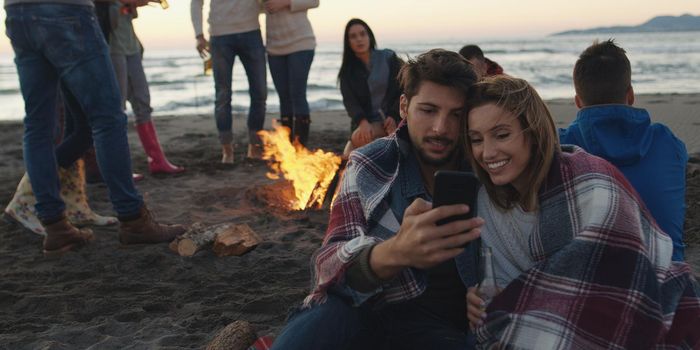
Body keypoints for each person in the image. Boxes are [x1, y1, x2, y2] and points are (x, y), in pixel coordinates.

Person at [462, 76, 700, 348]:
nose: (487, 152)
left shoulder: (591, 182)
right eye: (476, 139)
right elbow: (502, 286)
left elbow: (618, 287)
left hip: (644, 306)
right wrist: (484, 299)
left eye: (502, 135)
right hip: (541, 319)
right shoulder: (486, 203)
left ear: (533, 131)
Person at [272, 49, 483, 349]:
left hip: (438, 324)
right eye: (428, 110)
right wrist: (397, 252)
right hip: (361, 309)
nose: (441, 128)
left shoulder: (485, 167)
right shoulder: (370, 163)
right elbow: (326, 265)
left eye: (456, 115)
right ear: (404, 106)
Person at [4, 0, 186, 256]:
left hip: (19, 12)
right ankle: (133, 219)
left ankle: (55, 226)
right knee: (108, 119)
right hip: (66, 12)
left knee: (38, 126)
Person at [559, 39, 688, 261]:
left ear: (578, 101)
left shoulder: (562, 147)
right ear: (630, 95)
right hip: (671, 278)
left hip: (601, 283)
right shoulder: (668, 142)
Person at [108, 1, 184, 174]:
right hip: (113, 46)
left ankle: (157, 160)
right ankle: (120, 167)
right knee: (117, 108)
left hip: (131, 44)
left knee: (143, 102)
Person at [191, 0, 267, 163]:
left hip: (251, 31)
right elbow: (196, 2)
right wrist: (199, 35)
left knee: (260, 92)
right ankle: (227, 150)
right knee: (223, 95)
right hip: (220, 35)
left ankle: (254, 147)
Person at [338, 18, 403, 156]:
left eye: (363, 34)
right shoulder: (347, 72)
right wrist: (362, 122)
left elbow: (402, 89)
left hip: (393, 118)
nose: (359, 39)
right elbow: (350, 102)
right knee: (348, 155)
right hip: (365, 122)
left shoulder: (388, 58)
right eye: (353, 36)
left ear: (370, 36)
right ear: (348, 42)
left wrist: (393, 114)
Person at [263, 0, 319, 148]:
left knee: (297, 94)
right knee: (284, 97)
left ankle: (300, 148)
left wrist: (284, 2)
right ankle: (289, 150)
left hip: (300, 43)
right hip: (274, 46)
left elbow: (315, 1)